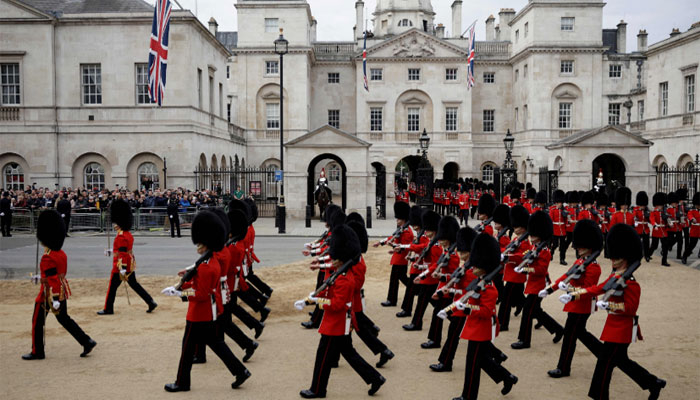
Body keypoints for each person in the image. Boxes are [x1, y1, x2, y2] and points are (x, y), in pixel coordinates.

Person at [559, 224, 666, 400]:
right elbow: (598, 288)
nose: (612, 260)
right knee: (621, 361)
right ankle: (653, 383)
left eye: (616, 257)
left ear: (625, 258)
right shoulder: (615, 276)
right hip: (612, 328)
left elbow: (630, 308)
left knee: (604, 365)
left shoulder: (631, 283)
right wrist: (574, 295)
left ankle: (599, 396)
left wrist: (609, 306)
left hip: (622, 330)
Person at [161, 210, 251, 392]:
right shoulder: (209, 263)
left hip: (199, 313)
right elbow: (199, 282)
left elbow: (200, 293)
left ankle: (182, 383)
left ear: (206, 243)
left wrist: (180, 294)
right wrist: (182, 283)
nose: (198, 247)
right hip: (208, 312)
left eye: (200, 243)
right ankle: (240, 371)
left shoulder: (206, 266)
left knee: (187, 349)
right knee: (217, 344)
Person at [295, 224, 386, 398]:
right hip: (336, 322)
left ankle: (318, 389)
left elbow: (336, 304)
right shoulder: (339, 272)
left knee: (323, 357)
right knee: (349, 353)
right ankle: (375, 378)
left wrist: (317, 302)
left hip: (336, 324)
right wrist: (308, 300)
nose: (332, 259)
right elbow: (325, 288)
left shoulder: (345, 279)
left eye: (334, 257)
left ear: (341, 258)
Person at [22, 210, 97, 360]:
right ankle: (86, 341)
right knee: (64, 319)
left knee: (37, 321)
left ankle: (37, 351)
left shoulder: (47, 257)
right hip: (60, 290)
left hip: (49, 293)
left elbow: (53, 279)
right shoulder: (60, 253)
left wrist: (54, 298)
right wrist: (40, 277)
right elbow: (53, 275)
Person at [452, 233, 518, 400]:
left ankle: (468, 396)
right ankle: (507, 377)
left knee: (472, 364)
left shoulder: (489, 288)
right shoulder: (479, 282)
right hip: (475, 327)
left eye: (476, 266)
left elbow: (486, 311)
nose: (472, 268)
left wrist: (467, 309)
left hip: (481, 329)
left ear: (484, 266)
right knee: (480, 360)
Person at [539, 219, 603, 378]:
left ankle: (563, 368)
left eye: (582, 246)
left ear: (590, 246)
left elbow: (588, 290)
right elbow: (565, 277)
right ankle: (606, 356)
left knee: (570, 337)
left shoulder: (593, 267)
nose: (578, 248)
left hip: (582, 306)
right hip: (574, 304)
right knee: (581, 335)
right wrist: (549, 290)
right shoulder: (580, 261)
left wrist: (570, 290)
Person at [511, 211, 564, 349]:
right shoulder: (535, 246)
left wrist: (525, 270)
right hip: (533, 284)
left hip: (539, 284)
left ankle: (524, 340)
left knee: (528, 311)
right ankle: (558, 329)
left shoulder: (545, 250)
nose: (531, 236)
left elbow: (541, 270)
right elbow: (525, 255)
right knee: (535, 311)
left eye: (533, 234)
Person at [97, 200, 157, 315]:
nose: (114, 225)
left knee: (112, 288)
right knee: (134, 285)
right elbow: (122, 250)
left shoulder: (120, 236)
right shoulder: (128, 234)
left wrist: (122, 269)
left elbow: (122, 254)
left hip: (120, 266)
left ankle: (108, 308)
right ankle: (150, 301)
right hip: (128, 263)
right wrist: (111, 251)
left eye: (116, 223)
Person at [402, 211, 442, 331]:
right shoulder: (431, 243)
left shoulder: (436, 247)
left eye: (428, 230)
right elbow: (421, 249)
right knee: (431, 303)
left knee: (423, 303)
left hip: (430, 279)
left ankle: (416, 323)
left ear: (433, 231)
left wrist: (422, 270)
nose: (425, 232)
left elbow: (435, 265)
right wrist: (412, 255)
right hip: (427, 278)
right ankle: (416, 323)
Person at [498, 205, 530, 331]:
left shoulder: (525, 242)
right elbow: (506, 250)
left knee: (505, 301)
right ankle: (545, 321)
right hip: (512, 274)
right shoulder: (516, 239)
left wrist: (508, 257)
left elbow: (521, 257)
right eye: (515, 227)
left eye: (518, 227)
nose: (515, 230)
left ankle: (503, 323)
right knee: (522, 301)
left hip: (516, 275)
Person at [375, 201, 413, 307]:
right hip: (398, 258)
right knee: (400, 278)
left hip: (401, 259)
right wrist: (380, 242)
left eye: (399, 219)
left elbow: (402, 248)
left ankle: (392, 299)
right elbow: (392, 238)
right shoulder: (402, 229)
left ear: (404, 219)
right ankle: (413, 289)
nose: (397, 220)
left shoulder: (407, 232)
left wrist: (392, 246)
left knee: (395, 280)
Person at [649, 192, 670, 266]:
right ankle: (648, 254)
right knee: (654, 246)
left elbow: (667, 219)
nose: (661, 206)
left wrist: (669, 223)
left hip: (664, 231)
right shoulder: (653, 212)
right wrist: (655, 225)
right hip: (656, 231)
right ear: (656, 205)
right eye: (659, 205)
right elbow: (652, 219)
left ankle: (664, 261)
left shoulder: (665, 211)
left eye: (661, 205)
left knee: (665, 247)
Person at [681, 192, 700, 263]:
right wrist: (692, 219)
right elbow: (690, 215)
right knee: (692, 245)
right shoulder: (692, 210)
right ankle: (685, 256)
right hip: (695, 230)